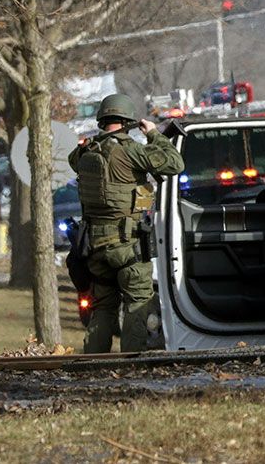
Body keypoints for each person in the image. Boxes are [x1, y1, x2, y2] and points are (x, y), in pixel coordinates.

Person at [69, 93, 184, 353]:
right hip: (128, 245)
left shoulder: (85, 153)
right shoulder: (131, 151)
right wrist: (154, 134)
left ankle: (94, 365)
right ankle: (130, 362)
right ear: (128, 120)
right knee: (137, 302)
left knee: (102, 306)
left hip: (95, 246)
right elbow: (175, 164)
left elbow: (74, 160)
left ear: (102, 120)